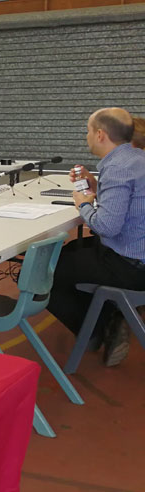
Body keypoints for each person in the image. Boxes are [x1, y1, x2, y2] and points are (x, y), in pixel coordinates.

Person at [46, 108, 145, 367]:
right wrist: (95, 186)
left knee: (48, 272)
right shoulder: (136, 160)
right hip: (138, 254)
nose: (86, 136)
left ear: (100, 134)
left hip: (131, 265)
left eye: (88, 131)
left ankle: (94, 330)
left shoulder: (118, 168)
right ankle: (108, 315)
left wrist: (83, 204)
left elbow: (107, 227)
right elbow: (129, 207)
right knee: (71, 250)